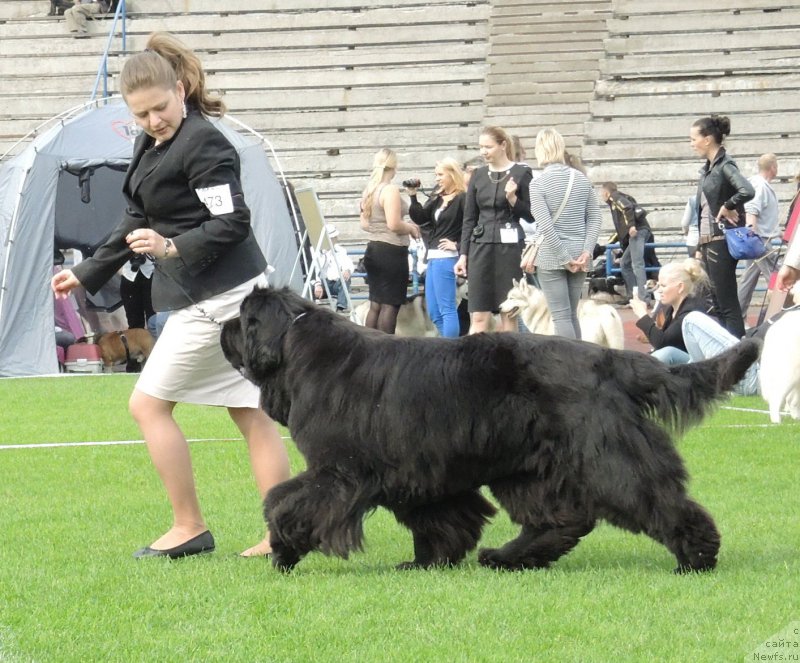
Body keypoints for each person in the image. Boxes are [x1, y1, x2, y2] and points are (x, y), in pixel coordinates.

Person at [51, 32, 290, 559]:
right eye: (141, 115)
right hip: (218, 296)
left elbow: (232, 221)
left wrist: (171, 246)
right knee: (251, 411)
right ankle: (283, 533)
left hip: (218, 300)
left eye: (160, 108)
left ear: (180, 89)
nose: (153, 121)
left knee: (148, 405)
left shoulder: (204, 142)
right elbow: (136, 216)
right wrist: (88, 271)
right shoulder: (154, 143)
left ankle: (190, 527)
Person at [455, 126, 534, 333]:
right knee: (479, 315)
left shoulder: (522, 173)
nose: (483, 151)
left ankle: (509, 362)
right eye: (481, 147)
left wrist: (513, 199)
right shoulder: (478, 175)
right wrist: (463, 255)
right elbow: (469, 219)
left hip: (510, 250)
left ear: (503, 145)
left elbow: (531, 214)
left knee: (509, 314)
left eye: (488, 147)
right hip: (480, 247)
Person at [525, 127, 601, 339]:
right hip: (580, 252)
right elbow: (595, 217)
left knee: (560, 316)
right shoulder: (582, 179)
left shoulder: (537, 183)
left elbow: (545, 225)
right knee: (572, 314)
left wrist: (563, 258)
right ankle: (581, 360)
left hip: (551, 254)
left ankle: (569, 365)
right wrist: (587, 250)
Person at [690, 115, 755, 339]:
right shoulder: (708, 169)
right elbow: (703, 211)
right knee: (716, 304)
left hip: (721, 240)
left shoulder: (725, 165)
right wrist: (699, 244)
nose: (692, 144)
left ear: (707, 140)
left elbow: (747, 190)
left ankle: (736, 353)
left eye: (693, 139)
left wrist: (728, 205)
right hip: (709, 241)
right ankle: (727, 350)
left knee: (726, 304)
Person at [359, 148, 420, 334]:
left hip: (373, 249)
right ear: (393, 167)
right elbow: (394, 224)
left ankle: (369, 348)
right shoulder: (390, 190)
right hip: (391, 252)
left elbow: (364, 224)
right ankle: (386, 350)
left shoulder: (368, 190)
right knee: (390, 305)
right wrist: (410, 228)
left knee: (375, 305)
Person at [407, 158, 467, 337]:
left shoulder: (462, 198)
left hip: (447, 257)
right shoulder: (439, 198)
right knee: (434, 311)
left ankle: (452, 349)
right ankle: (449, 345)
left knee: (446, 308)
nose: (437, 179)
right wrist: (412, 195)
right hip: (433, 257)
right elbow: (421, 217)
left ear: (452, 174)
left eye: (441, 174)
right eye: (436, 175)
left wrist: (456, 244)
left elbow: (469, 226)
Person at [631, 259, 710, 364]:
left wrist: (643, 315)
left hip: (700, 367)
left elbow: (662, 343)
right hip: (688, 364)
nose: (659, 290)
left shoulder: (691, 311)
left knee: (667, 353)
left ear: (680, 287)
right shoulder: (672, 308)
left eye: (663, 286)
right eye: (658, 285)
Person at [737, 154, 781, 317]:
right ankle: (780, 313)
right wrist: (752, 237)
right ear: (773, 168)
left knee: (748, 280)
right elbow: (752, 211)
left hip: (758, 237)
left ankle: (738, 317)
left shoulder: (756, 184)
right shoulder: (760, 187)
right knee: (778, 277)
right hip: (760, 240)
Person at [600, 182, 653, 305]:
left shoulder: (615, 197)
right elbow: (620, 230)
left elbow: (627, 207)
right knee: (625, 263)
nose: (601, 196)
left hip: (637, 231)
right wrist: (609, 242)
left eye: (602, 193)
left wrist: (632, 226)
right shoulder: (616, 200)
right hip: (638, 231)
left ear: (606, 193)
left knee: (637, 264)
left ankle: (644, 298)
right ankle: (632, 295)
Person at [312, 223, 353, 312]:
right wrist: (317, 284)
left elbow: (347, 263)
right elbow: (315, 270)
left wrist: (347, 270)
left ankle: (340, 308)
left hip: (335, 283)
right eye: (333, 238)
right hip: (322, 282)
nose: (335, 239)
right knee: (311, 287)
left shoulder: (340, 250)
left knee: (345, 280)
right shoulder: (316, 252)